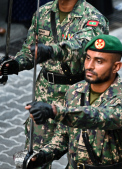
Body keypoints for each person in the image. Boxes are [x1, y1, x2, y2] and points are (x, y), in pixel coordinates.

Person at [0, 0, 109, 168]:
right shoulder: (42, 13)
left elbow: (80, 46)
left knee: (82, 159)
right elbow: (31, 51)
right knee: (35, 158)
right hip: (45, 95)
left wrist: (50, 51)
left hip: (80, 97)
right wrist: (15, 64)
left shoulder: (93, 18)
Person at [25, 34, 122, 169]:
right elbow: (63, 136)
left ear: (116, 67)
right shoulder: (75, 91)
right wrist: (42, 156)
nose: (89, 66)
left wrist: (54, 111)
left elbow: (98, 117)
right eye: (88, 58)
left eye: (99, 61)